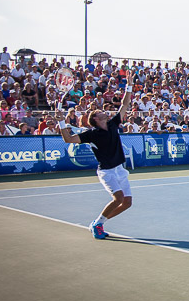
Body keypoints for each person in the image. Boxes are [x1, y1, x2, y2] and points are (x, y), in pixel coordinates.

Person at [57, 72, 134, 239]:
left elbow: (125, 104)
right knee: (118, 198)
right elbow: (68, 139)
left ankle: (98, 223)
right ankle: (98, 224)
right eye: (100, 112)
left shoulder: (113, 124)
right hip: (107, 171)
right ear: (96, 119)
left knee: (127, 203)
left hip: (120, 169)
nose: (103, 112)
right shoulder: (91, 134)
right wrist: (61, 122)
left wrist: (129, 85)